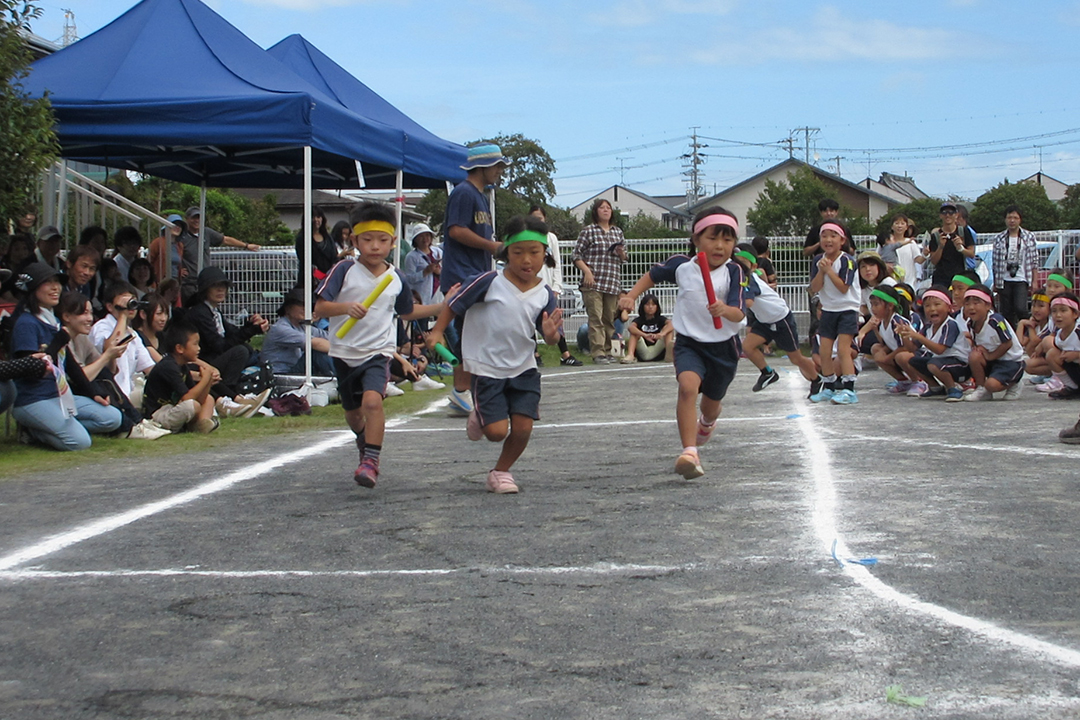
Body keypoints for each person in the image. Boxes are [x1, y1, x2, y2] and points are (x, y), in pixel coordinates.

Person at [316, 201, 450, 489]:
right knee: (353, 414)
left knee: (373, 401)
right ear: (354, 240)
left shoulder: (396, 278)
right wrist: (345, 308)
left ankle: (371, 461)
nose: (375, 246)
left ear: (392, 243)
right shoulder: (343, 270)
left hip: (377, 352)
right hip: (343, 352)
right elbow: (320, 308)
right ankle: (365, 443)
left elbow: (407, 312)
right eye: (367, 239)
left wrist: (442, 306)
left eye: (382, 240)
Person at [428, 214, 562, 494]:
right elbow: (454, 303)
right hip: (487, 369)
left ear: (544, 254)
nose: (527, 260)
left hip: (524, 368)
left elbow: (549, 337)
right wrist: (438, 331)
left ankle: (500, 472)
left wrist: (551, 335)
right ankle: (481, 411)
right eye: (518, 253)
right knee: (496, 433)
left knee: (524, 427)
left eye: (534, 253)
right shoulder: (488, 282)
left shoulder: (545, 293)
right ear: (506, 253)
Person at [619, 206, 746, 480]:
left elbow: (739, 312)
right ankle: (690, 452)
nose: (720, 246)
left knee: (711, 406)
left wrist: (724, 309)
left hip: (724, 347)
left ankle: (708, 421)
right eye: (713, 238)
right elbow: (652, 274)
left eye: (728, 239)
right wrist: (631, 295)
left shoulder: (735, 271)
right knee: (687, 388)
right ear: (696, 238)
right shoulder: (681, 266)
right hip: (689, 343)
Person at [9, 262, 123, 450]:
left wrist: (93, 392)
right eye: (48, 282)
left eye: (57, 282)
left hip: (59, 395)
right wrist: (58, 341)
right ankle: (33, 430)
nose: (56, 288)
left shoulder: (52, 320)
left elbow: (69, 363)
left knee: (112, 418)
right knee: (80, 442)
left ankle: (50, 428)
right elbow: (31, 368)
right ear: (33, 288)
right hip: (33, 399)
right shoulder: (26, 323)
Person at [440, 143, 510, 415]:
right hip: (462, 274)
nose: (499, 172)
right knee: (469, 334)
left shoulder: (481, 195)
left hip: (475, 273)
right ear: (483, 167)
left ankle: (465, 391)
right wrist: (491, 246)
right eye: (497, 166)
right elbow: (456, 230)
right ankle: (461, 391)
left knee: (475, 333)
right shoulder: (464, 192)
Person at [58, 291, 169, 440]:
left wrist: (111, 357)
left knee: (105, 378)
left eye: (91, 313)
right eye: (84, 314)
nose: (90, 319)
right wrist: (108, 355)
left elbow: (109, 372)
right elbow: (80, 377)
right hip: (68, 395)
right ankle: (130, 426)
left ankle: (137, 422)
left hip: (109, 391)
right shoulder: (98, 328)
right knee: (112, 416)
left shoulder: (83, 337)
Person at [733, 246, 822, 395]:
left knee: (796, 358)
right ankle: (768, 373)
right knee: (748, 347)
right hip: (764, 321)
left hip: (781, 319)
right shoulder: (742, 279)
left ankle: (817, 380)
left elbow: (748, 303)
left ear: (753, 266)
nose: (739, 267)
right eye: (737, 263)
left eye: (743, 263)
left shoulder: (749, 279)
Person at [185, 266, 269, 401]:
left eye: (223, 286)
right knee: (240, 351)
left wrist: (251, 324)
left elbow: (233, 332)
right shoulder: (200, 313)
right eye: (215, 286)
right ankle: (229, 390)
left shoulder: (214, 311)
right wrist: (251, 331)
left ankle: (237, 389)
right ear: (205, 290)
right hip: (202, 363)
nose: (220, 290)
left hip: (212, 360)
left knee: (246, 349)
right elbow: (219, 345)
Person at [808, 221, 862, 405]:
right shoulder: (818, 260)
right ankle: (829, 387)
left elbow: (843, 288)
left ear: (842, 240)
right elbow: (814, 288)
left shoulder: (848, 260)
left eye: (833, 236)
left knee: (843, 349)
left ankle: (848, 388)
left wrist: (829, 270)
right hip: (828, 309)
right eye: (824, 236)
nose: (828, 240)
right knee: (825, 350)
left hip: (847, 309)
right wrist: (821, 272)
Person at [573, 198, 627, 364]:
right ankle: (598, 353)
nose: (605, 210)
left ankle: (609, 350)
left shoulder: (618, 232)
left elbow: (625, 258)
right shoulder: (588, 231)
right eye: (602, 208)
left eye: (608, 208)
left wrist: (621, 253)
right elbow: (576, 255)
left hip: (612, 281)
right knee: (595, 317)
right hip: (593, 282)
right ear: (595, 211)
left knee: (609, 319)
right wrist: (587, 271)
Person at [141, 322, 221, 434]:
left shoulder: (182, 366)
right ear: (179, 348)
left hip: (174, 409)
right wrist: (204, 379)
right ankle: (195, 426)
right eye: (195, 344)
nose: (199, 349)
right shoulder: (169, 366)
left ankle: (202, 424)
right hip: (158, 414)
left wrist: (208, 381)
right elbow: (187, 398)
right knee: (191, 405)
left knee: (208, 398)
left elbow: (199, 398)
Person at [529, 205, 582, 366]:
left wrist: (556, 287)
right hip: (531, 286)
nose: (537, 221)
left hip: (548, 287)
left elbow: (556, 264)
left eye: (540, 218)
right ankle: (534, 353)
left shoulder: (551, 238)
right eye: (534, 218)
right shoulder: (527, 237)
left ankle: (565, 354)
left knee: (555, 319)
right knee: (530, 319)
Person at [89, 281, 157, 402]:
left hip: (127, 395)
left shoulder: (132, 334)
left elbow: (149, 368)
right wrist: (123, 315)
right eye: (125, 302)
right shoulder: (101, 327)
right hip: (108, 395)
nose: (130, 307)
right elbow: (111, 347)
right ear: (110, 306)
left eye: (132, 302)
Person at [901, 286, 971, 401]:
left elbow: (940, 350)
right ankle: (935, 387)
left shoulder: (950, 325)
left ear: (948, 308)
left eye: (937, 304)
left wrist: (918, 336)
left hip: (960, 365)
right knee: (913, 361)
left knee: (933, 364)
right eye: (927, 306)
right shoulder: (929, 327)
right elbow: (912, 348)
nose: (932, 309)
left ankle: (953, 388)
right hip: (941, 361)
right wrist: (904, 335)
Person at [178, 206, 261, 303]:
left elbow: (225, 239)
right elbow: (172, 253)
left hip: (204, 283)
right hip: (188, 284)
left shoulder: (207, 232)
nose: (197, 220)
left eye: (199, 217)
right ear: (187, 219)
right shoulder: (182, 235)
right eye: (193, 218)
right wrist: (178, 269)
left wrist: (246, 245)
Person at [962, 283, 1025, 402]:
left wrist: (990, 356)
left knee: (992, 385)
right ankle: (981, 389)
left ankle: (1015, 382)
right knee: (974, 356)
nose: (971, 307)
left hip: (1010, 362)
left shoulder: (996, 321)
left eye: (976, 303)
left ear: (988, 306)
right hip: (994, 361)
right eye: (967, 304)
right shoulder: (971, 323)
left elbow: (1007, 343)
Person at [262, 287, 334, 376]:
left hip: (294, 369)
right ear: (288, 308)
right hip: (279, 374)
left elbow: (330, 337)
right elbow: (316, 344)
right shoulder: (280, 328)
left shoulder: (302, 326)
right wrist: (345, 351)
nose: (305, 308)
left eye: (308, 305)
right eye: (300, 304)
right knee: (317, 353)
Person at [858, 285, 916, 392]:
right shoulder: (883, 321)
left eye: (876, 304)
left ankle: (918, 381)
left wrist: (887, 358)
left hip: (915, 355)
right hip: (898, 353)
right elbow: (886, 343)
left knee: (901, 356)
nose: (873, 309)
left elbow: (905, 348)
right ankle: (903, 381)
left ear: (890, 306)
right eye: (871, 305)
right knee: (876, 348)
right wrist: (876, 330)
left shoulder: (897, 322)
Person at [991, 205, 1039, 329]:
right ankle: (1009, 337)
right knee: (1006, 312)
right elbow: (995, 262)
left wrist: (1035, 281)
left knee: (1020, 308)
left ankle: (1027, 332)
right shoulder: (999, 238)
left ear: (1020, 219)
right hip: (1004, 279)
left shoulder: (1029, 237)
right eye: (1009, 217)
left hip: (1021, 278)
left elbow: (1034, 261)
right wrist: (996, 282)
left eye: (1015, 218)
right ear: (1005, 219)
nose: (1012, 220)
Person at [1040, 293, 1080, 400]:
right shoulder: (1059, 335)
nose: (1058, 315)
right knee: (1052, 354)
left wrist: (1076, 354)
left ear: (1075, 314)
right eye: (1054, 311)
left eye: (1063, 310)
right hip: (1075, 369)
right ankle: (1072, 387)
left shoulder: (1078, 331)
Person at [928, 203, 976, 288]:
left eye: (951, 212)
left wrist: (961, 248)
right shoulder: (936, 236)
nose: (947, 215)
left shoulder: (963, 232)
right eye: (944, 212)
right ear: (940, 216)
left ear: (956, 215)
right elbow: (933, 261)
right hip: (941, 277)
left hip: (960, 275)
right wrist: (940, 246)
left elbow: (971, 254)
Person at [620, 292, 673, 364]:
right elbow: (631, 327)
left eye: (653, 304)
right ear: (643, 306)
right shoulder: (639, 320)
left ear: (657, 307)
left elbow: (672, 324)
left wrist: (661, 334)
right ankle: (630, 355)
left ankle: (669, 355)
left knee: (668, 330)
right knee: (634, 333)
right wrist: (644, 335)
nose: (650, 307)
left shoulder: (660, 319)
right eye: (647, 304)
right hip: (643, 351)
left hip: (657, 349)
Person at [294, 205, 337, 289]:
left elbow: (334, 256)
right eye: (312, 217)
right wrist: (320, 276)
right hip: (309, 282)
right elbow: (304, 261)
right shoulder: (302, 238)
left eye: (318, 217)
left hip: (328, 280)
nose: (316, 220)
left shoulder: (328, 237)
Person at [403, 222, 443, 306]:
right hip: (422, 297)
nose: (425, 239)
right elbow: (409, 279)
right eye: (421, 236)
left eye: (427, 235)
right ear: (415, 239)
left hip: (439, 295)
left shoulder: (438, 252)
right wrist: (425, 272)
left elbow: (447, 269)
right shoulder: (412, 257)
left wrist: (439, 272)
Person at [131, 293, 171, 363]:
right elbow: (164, 365)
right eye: (159, 314)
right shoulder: (136, 337)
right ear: (143, 314)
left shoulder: (163, 337)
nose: (163, 318)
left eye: (166, 314)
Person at [148, 214, 186, 285]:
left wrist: (180, 271)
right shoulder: (158, 242)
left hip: (175, 282)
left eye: (180, 226)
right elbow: (149, 262)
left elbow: (177, 264)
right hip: (160, 282)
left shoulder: (180, 245)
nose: (177, 227)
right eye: (174, 224)